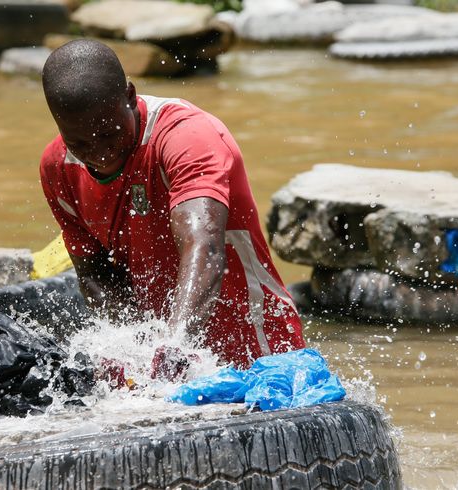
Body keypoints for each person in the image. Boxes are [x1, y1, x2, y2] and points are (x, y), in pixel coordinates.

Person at [39, 39, 305, 368]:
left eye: (109, 134)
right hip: (158, 358)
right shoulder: (58, 168)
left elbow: (203, 245)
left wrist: (176, 346)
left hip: (257, 345)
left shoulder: (187, 137)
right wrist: (133, 348)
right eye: (78, 142)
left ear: (130, 97)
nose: (100, 153)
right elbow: (94, 273)